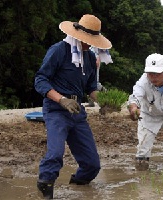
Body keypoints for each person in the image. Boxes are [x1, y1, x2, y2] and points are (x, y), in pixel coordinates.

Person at [34, 14, 112, 199]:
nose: (88, 43)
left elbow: (91, 88)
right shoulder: (59, 50)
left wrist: (106, 102)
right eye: (87, 40)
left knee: (92, 165)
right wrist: (61, 99)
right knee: (55, 154)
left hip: (77, 111)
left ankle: (79, 185)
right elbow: (40, 80)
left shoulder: (91, 57)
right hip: (56, 109)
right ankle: (45, 186)